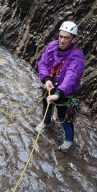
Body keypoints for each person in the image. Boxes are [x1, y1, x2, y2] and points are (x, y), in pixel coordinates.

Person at [36, 21, 85, 152]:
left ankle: (68, 140)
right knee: (46, 104)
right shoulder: (52, 46)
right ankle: (46, 123)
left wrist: (59, 93)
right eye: (61, 36)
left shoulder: (77, 56)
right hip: (50, 85)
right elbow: (43, 63)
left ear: (73, 39)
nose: (62, 40)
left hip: (66, 93)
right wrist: (46, 79)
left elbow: (72, 76)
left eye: (66, 38)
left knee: (64, 118)